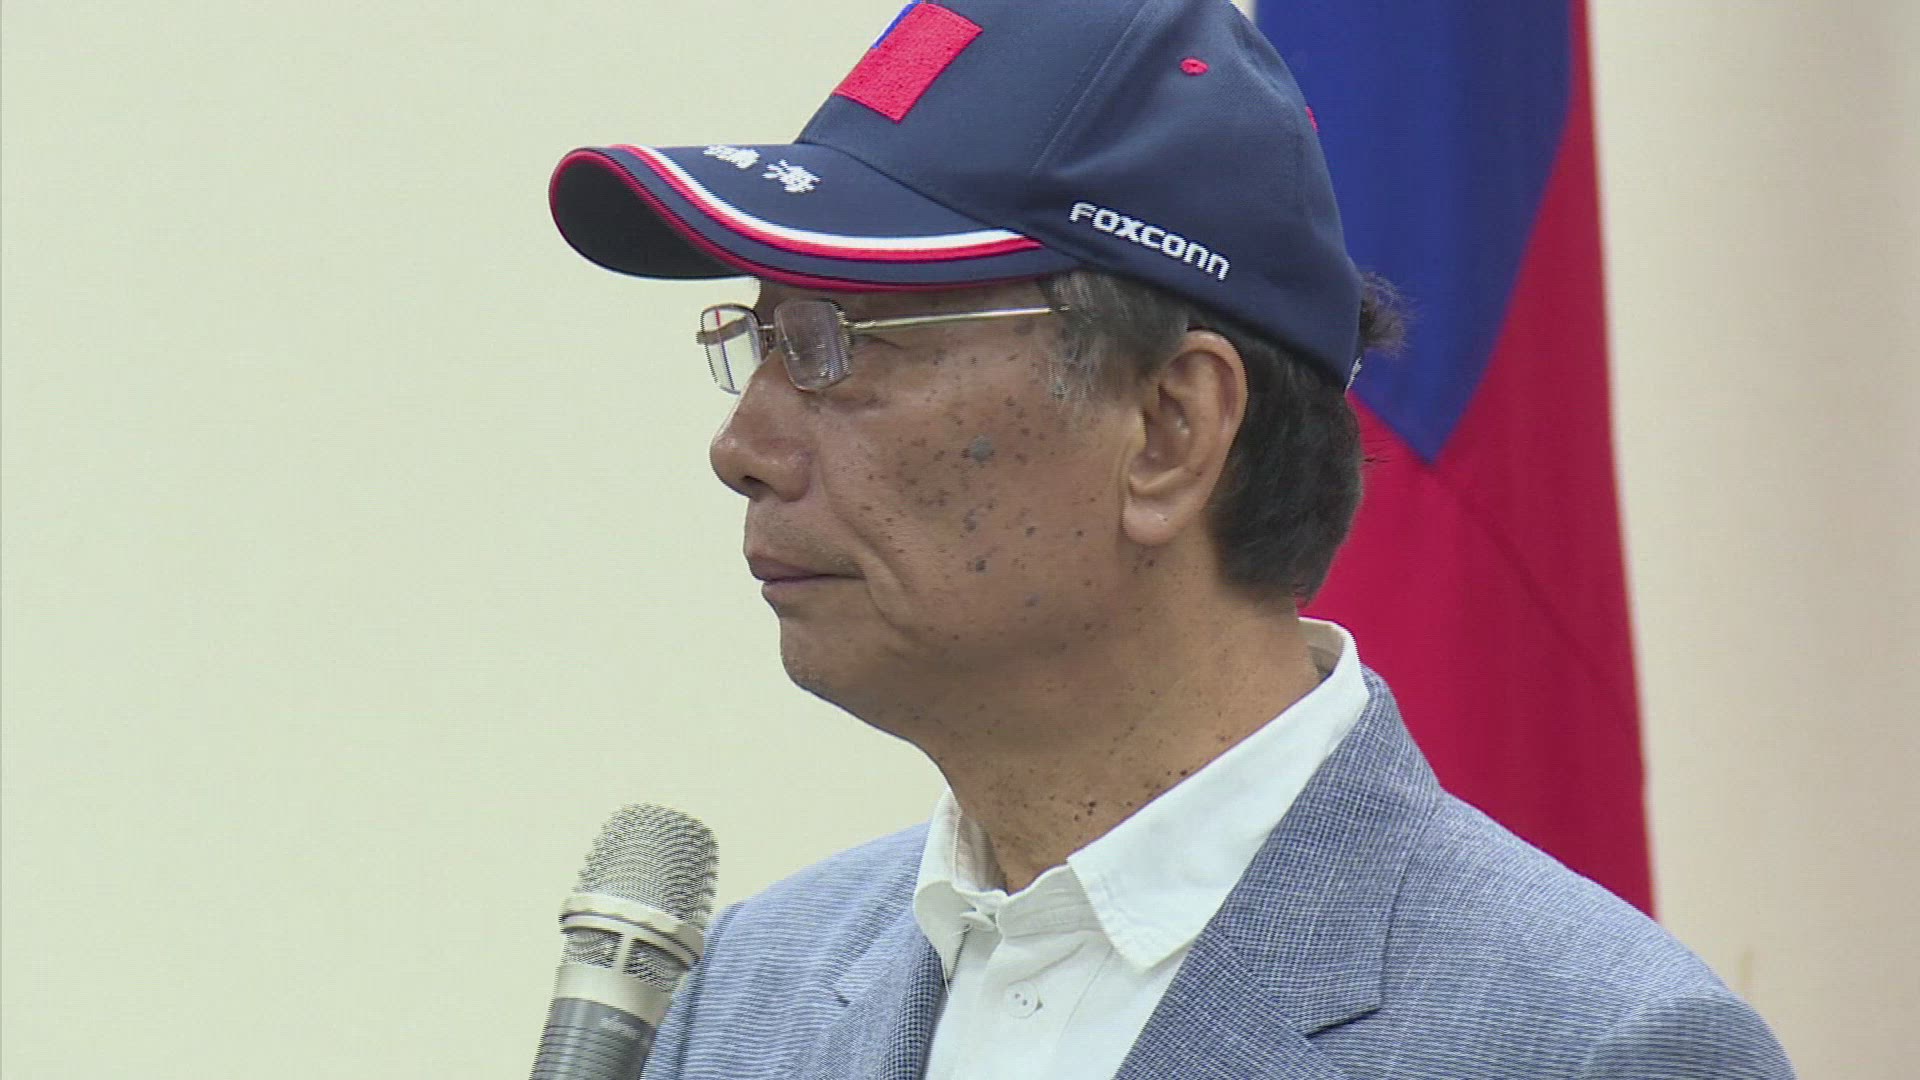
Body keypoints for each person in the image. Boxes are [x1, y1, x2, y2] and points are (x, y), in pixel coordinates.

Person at [548, 0, 1794, 1076]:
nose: (744, 446)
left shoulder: (1590, 1045)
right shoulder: (752, 991)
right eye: (759, 341)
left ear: (1168, 428)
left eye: (835, 344)